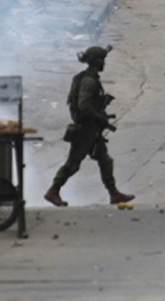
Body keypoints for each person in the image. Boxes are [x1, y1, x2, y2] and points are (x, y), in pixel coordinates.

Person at [44, 45, 135, 207]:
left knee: (105, 160)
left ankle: (114, 193)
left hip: (92, 130)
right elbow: (83, 106)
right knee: (73, 164)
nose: (104, 64)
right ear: (97, 62)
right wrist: (98, 116)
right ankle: (53, 190)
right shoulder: (89, 82)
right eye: (102, 61)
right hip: (85, 130)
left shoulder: (87, 78)